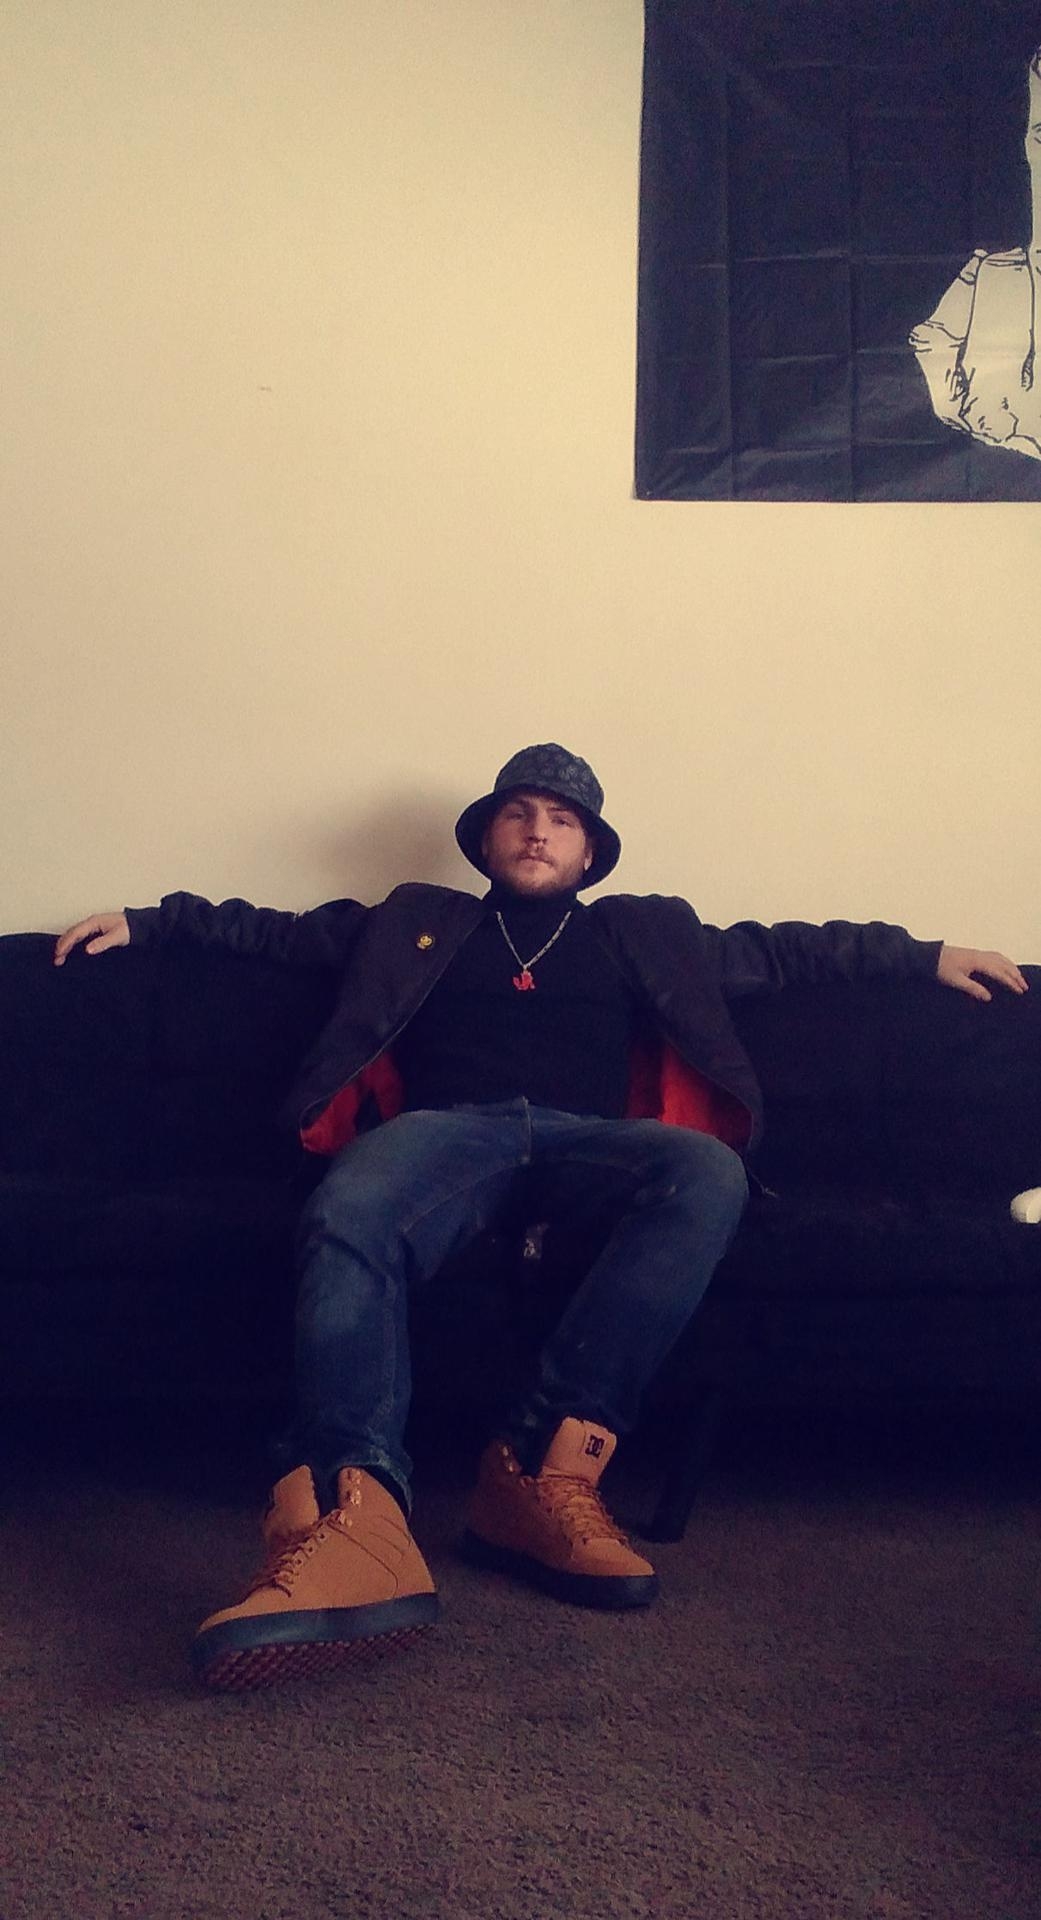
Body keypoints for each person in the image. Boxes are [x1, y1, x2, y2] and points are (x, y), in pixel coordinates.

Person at [54, 743, 1028, 1691]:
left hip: (590, 1143)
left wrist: (928, 955)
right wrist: (145, 922)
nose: (536, 830)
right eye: (517, 813)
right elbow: (267, 931)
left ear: (589, 851)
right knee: (350, 1199)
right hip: (446, 1137)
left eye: (561, 820)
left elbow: (790, 951)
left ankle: (539, 1467)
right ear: (484, 839)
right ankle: (354, 1511)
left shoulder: (645, 933)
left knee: (705, 1170)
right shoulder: (417, 920)